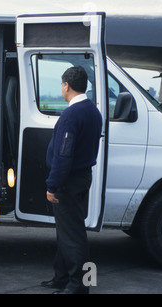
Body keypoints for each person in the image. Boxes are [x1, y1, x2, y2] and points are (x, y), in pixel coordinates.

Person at [42, 66, 102, 294]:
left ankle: (81, 285)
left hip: (69, 181)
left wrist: (53, 184)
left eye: (61, 85)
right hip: (83, 176)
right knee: (67, 231)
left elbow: (64, 154)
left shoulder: (71, 114)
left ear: (66, 85)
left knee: (74, 235)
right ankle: (61, 277)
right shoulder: (93, 112)